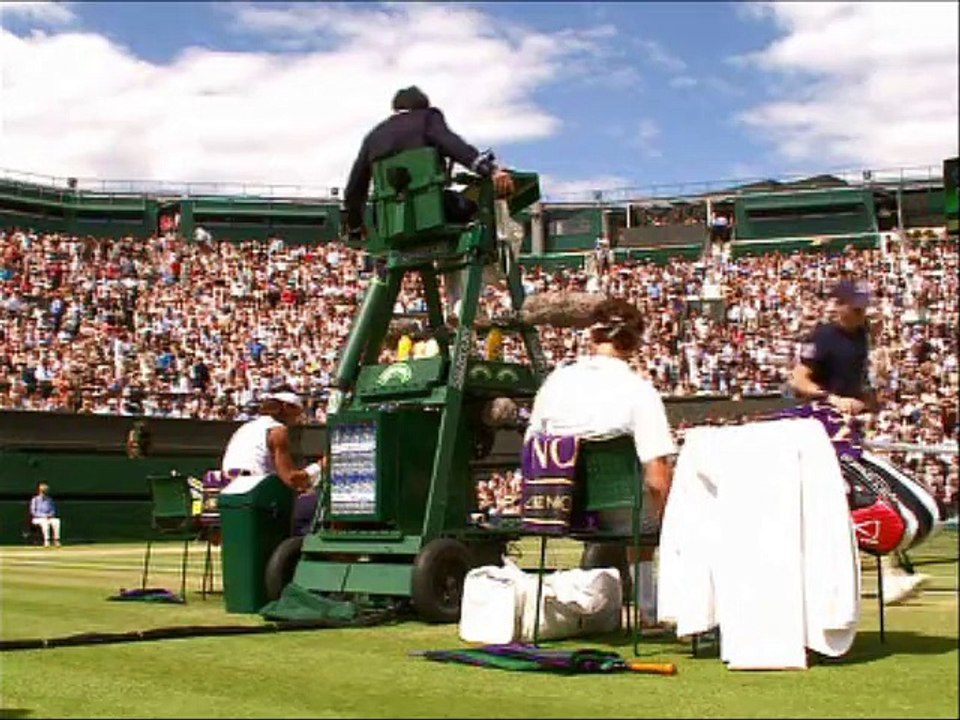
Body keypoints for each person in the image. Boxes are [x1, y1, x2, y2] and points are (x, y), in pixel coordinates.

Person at [524, 298, 676, 626]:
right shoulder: (638, 391)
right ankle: (649, 609)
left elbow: (531, 445)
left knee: (636, 509)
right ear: (634, 344)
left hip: (561, 508)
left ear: (591, 337)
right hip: (621, 512)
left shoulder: (555, 383)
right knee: (647, 517)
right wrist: (672, 519)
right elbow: (656, 476)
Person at [788, 278, 934, 604]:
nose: (859, 312)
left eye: (862, 307)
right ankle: (887, 572)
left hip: (847, 423)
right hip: (820, 422)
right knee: (858, 493)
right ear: (838, 306)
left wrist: (866, 398)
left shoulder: (862, 336)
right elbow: (799, 380)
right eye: (854, 307)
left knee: (863, 495)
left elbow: (855, 383)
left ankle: (889, 570)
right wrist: (833, 398)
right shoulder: (822, 337)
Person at [342, 85, 515, 241]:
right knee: (476, 210)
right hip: (432, 214)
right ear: (422, 106)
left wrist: (355, 226)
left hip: (388, 223)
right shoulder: (427, 118)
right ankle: (491, 266)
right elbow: (454, 145)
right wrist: (490, 170)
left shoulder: (373, 137)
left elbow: (354, 188)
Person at [221, 388, 322, 535]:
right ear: (287, 408)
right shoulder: (278, 431)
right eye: (298, 411)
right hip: (257, 497)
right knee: (313, 502)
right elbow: (292, 479)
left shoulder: (245, 427)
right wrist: (319, 467)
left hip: (229, 494)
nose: (300, 417)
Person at [30, 482, 61, 547]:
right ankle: (47, 541)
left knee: (56, 521)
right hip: (37, 519)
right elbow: (33, 512)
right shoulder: (35, 500)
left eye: (45, 491)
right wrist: (44, 516)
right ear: (39, 491)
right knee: (44, 523)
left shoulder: (50, 500)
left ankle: (56, 540)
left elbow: (53, 510)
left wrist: (50, 515)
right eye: (42, 491)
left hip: (49, 518)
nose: (44, 492)